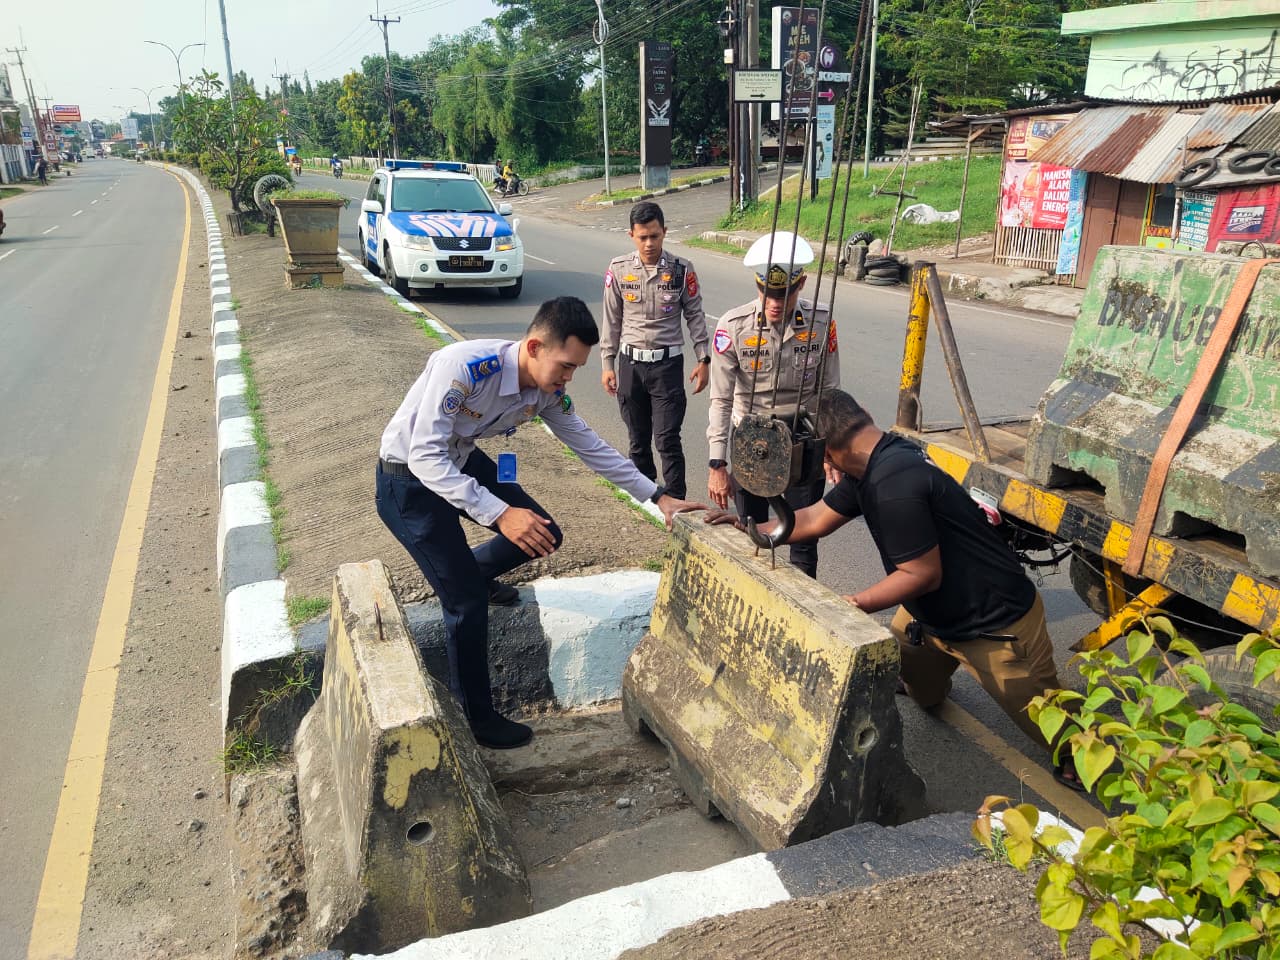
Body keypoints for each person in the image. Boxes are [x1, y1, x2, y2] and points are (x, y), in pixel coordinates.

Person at [377, 296, 704, 749]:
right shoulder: (466, 367)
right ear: (534, 347)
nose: (569, 379)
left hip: (461, 460)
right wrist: (499, 512)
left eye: (576, 370)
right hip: (408, 479)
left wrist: (658, 496)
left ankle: (465, 571)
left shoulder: (544, 393)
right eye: (566, 366)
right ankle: (477, 718)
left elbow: (590, 446)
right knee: (466, 603)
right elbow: (424, 456)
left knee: (542, 532)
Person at [711, 389, 1078, 787]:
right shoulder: (870, 464)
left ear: (827, 455)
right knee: (920, 687)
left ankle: (1091, 761)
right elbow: (815, 518)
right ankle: (928, 674)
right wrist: (750, 528)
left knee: (1052, 726)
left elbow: (921, 574)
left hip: (995, 625)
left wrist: (851, 604)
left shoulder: (894, 484)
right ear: (864, 415)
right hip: (928, 618)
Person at [707, 230, 840, 578]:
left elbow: (828, 391)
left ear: (801, 285)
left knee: (804, 538)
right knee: (749, 532)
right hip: (752, 438)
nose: (775, 302)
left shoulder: (821, 322)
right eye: (767, 292)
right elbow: (720, 400)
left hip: (801, 439)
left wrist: (831, 448)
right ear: (757, 286)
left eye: (785, 293)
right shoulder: (732, 327)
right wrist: (717, 463)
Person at [601, 202, 709, 500]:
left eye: (655, 236)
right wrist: (607, 364)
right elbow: (611, 319)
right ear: (631, 235)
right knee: (638, 440)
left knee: (667, 439)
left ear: (664, 233)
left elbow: (695, 315)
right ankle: (646, 497)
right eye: (643, 237)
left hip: (667, 366)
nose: (649, 243)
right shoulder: (619, 270)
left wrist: (704, 358)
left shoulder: (681, 270)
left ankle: (676, 502)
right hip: (629, 365)